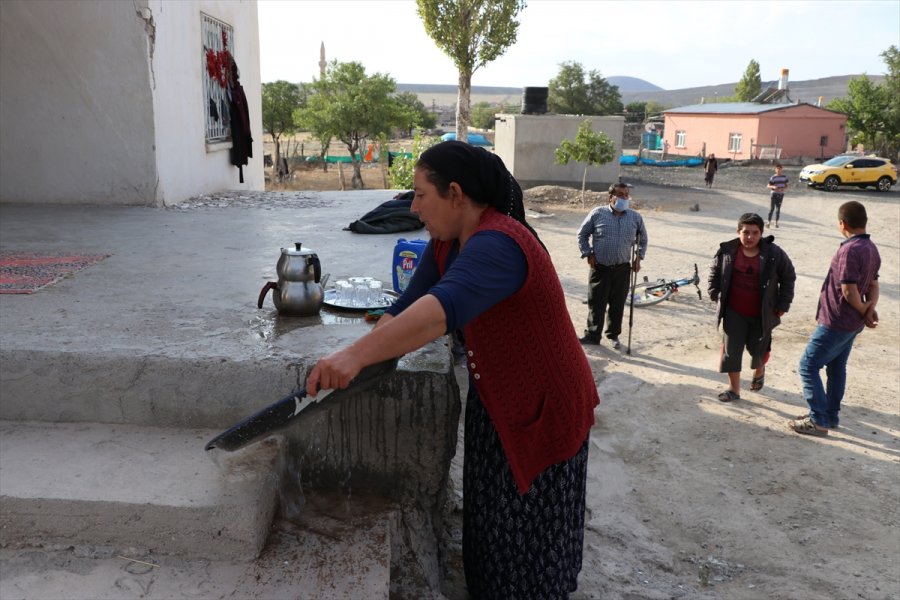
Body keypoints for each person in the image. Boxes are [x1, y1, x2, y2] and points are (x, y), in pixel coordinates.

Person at [306, 141, 599, 598]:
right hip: (497, 401)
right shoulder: (447, 245)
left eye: (421, 195)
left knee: (529, 543)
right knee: (490, 527)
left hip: (544, 406)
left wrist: (353, 358)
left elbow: (439, 311)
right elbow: (404, 309)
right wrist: (359, 357)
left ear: (456, 194)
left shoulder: (500, 243)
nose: (414, 207)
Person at [790, 201, 880, 436]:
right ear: (864, 222)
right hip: (852, 323)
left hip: (837, 319)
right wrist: (869, 309)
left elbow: (850, 291)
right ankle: (829, 416)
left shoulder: (849, 250)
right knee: (836, 367)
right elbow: (873, 284)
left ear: (843, 224)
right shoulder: (871, 248)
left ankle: (818, 420)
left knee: (808, 366)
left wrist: (863, 309)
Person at [708, 213, 796, 402]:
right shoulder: (727, 251)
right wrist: (714, 291)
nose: (750, 237)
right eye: (745, 232)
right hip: (733, 311)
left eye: (755, 233)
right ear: (738, 231)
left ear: (761, 234)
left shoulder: (774, 253)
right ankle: (734, 389)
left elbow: (788, 276)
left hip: (762, 313)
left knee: (758, 351)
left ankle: (760, 368)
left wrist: (783, 303)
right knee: (731, 351)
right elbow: (715, 271)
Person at [577, 182, 648, 349]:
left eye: (626, 195)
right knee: (596, 303)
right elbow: (582, 234)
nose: (625, 198)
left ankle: (613, 335)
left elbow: (643, 240)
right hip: (600, 268)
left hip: (622, 269)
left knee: (617, 304)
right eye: (621, 194)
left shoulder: (635, 217)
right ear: (611, 197)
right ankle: (593, 335)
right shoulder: (597, 214)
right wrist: (588, 253)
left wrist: (639, 257)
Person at [766, 164, 789, 228]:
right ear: (775, 170)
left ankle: (776, 223)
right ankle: (768, 222)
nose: (778, 170)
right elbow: (768, 185)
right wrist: (773, 186)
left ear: (782, 169)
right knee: (772, 208)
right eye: (777, 169)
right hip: (774, 194)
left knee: (778, 209)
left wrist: (783, 188)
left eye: (780, 168)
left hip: (781, 194)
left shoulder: (785, 177)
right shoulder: (773, 177)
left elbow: (787, 186)